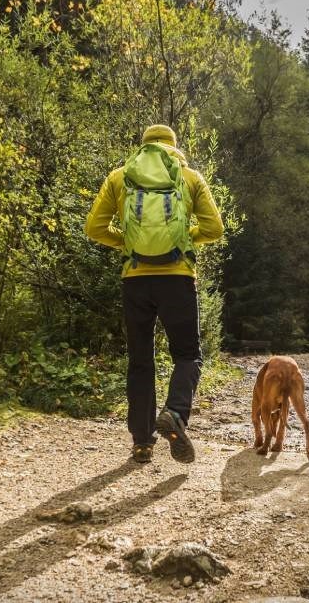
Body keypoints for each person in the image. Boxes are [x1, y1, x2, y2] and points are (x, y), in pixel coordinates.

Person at [84, 124, 224, 464]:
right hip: (177, 278)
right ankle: (175, 412)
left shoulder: (120, 177)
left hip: (135, 279)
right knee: (188, 354)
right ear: (174, 147)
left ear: (143, 146)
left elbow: (94, 228)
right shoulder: (189, 177)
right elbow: (214, 229)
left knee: (140, 361)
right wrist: (185, 239)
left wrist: (128, 243)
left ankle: (142, 443)